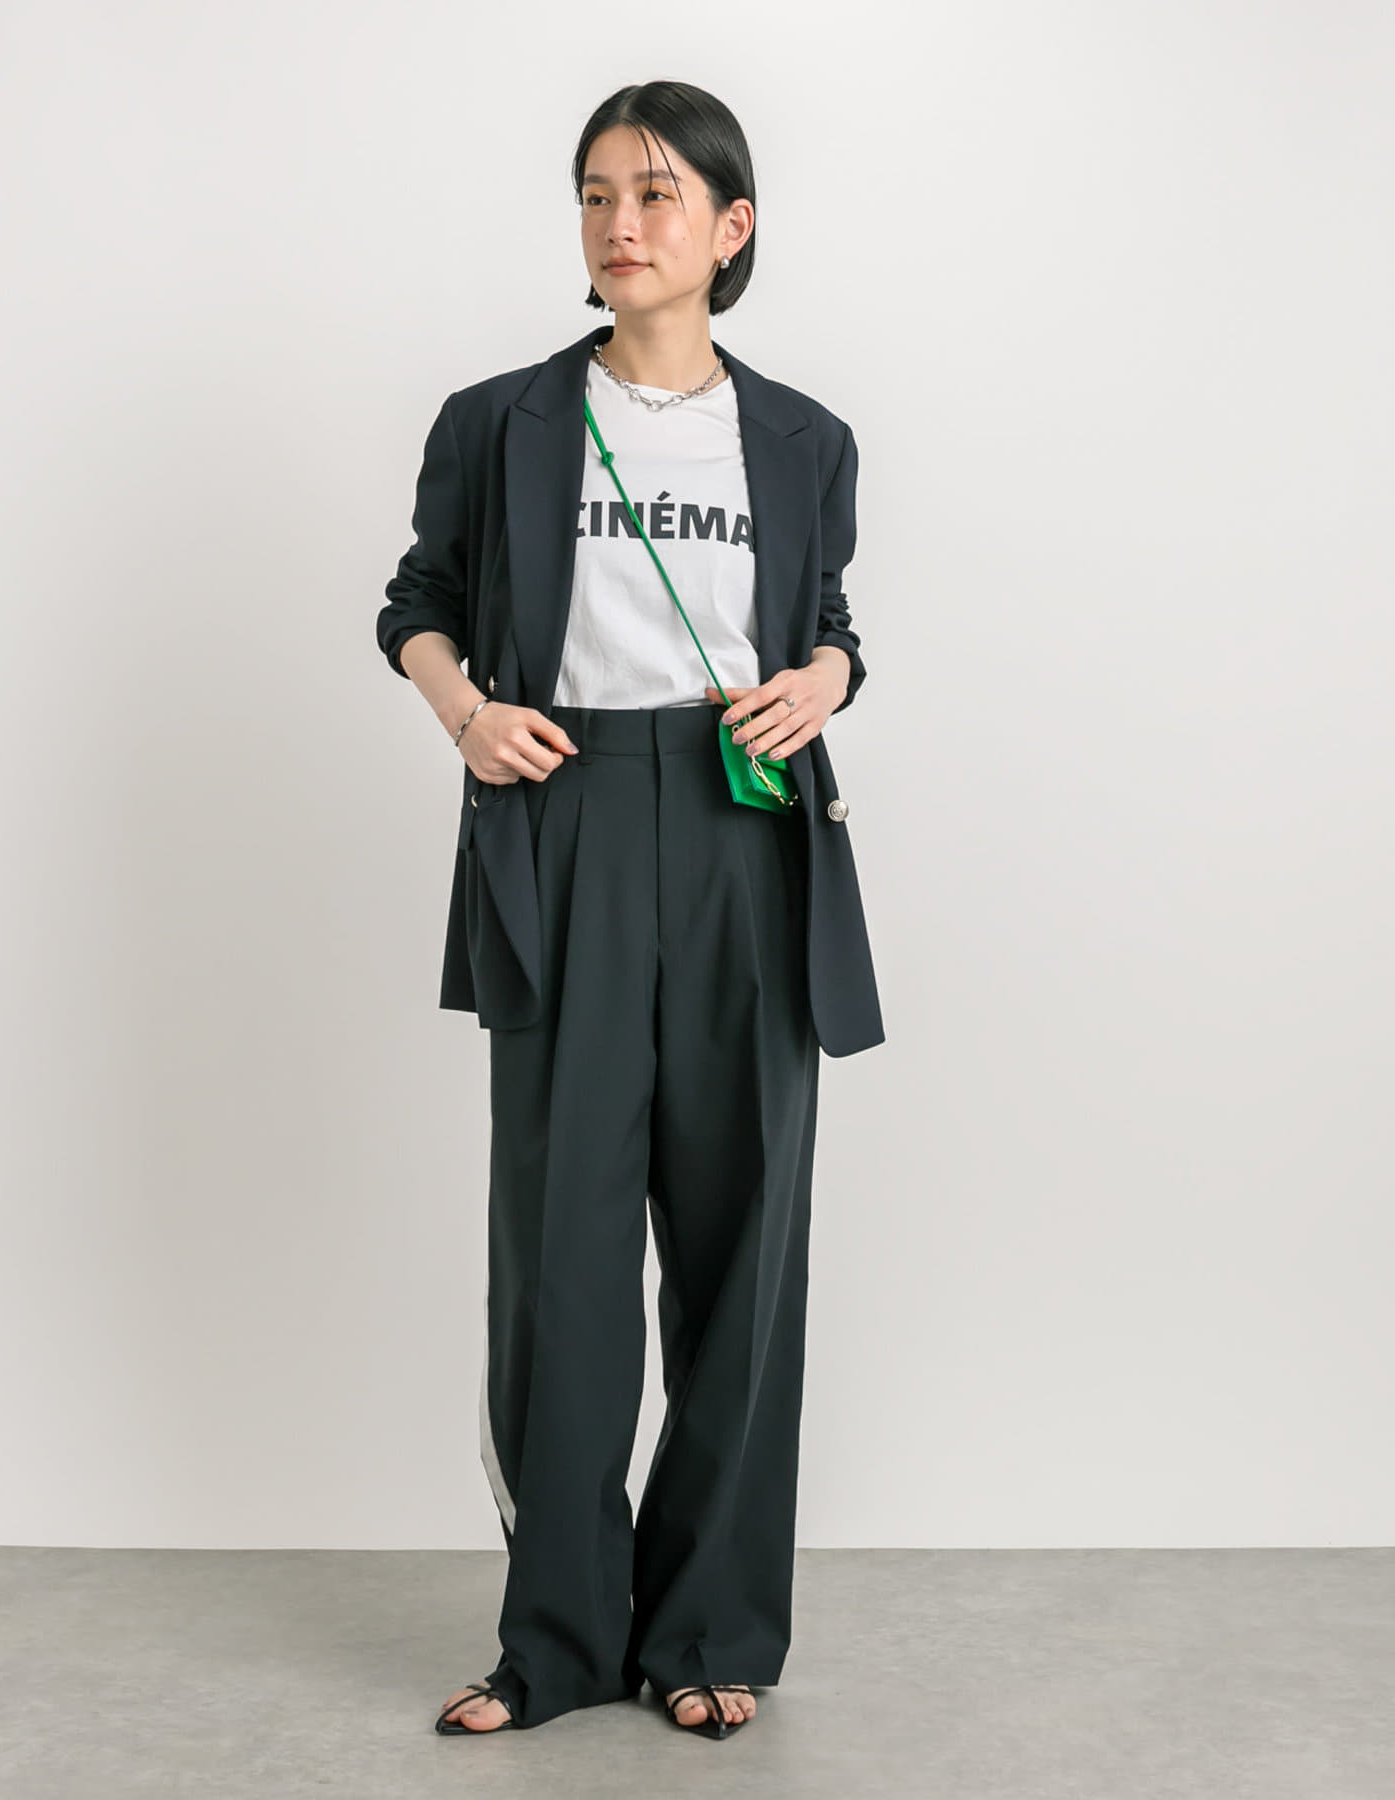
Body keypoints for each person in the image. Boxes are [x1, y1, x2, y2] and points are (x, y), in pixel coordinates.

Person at [376, 80, 884, 1741]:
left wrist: (824, 678)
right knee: (562, 1251)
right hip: (567, 814)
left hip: (747, 827)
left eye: (658, 194)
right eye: (597, 193)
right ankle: (559, 1639)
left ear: (732, 229)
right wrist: (466, 712)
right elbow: (419, 603)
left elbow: (828, 620)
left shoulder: (804, 439)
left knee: (745, 1245)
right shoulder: (500, 421)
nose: (620, 223)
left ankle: (711, 1630)